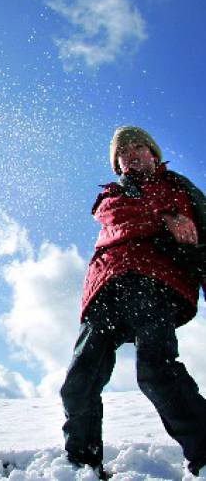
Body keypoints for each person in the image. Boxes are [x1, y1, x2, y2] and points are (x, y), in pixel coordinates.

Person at [60, 126, 206, 479]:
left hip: (154, 282)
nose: (132, 153)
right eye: (123, 151)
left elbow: (201, 237)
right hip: (106, 288)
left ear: (154, 154)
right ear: (117, 164)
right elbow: (121, 219)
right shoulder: (111, 197)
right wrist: (165, 219)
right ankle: (82, 465)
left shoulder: (178, 187)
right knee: (79, 382)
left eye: (139, 146)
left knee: (156, 371)